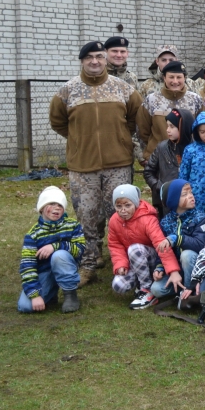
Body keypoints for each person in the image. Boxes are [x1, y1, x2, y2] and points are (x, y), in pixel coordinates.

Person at [50, 41, 142, 286]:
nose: (95, 61)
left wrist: (120, 138)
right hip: (83, 166)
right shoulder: (67, 91)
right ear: (81, 60)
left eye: (99, 57)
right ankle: (90, 262)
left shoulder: (123, 89)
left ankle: (123, 262)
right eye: (89, 57)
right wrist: (81, 141)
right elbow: (58, 123)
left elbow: (135, 118)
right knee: (88, 216)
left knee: (120, 213)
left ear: (105, 59)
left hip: (119, 163)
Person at [108, 185, 183, 310]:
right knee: (119, 285)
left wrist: (173, 271)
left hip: (151, 259)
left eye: (127, 205)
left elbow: (161, 245)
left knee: (134, 249)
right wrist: (120, 264)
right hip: (134, 261)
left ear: (136, 203)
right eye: (118, 206)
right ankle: (140, 282)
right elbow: (115, 244)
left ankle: (146, 289)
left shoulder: (147, 219)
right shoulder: (114, 221)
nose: (123, 210)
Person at [18, 186, 84, 313]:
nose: (57, 207)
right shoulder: (32, 234)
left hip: (66, 268)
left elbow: (79, 250)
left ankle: (70, 294)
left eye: (60, 205)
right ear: (42, 208)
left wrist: (55, 247)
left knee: (59, 255)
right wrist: (34, 295)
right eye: (52, 204)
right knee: (25, 307)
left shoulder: (73, 225)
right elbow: (27, 265)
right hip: (45, 273)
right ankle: (50, 293)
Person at [137, 61, 203, 161]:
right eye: (171, 77)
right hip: (158, 159)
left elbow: (201, 129)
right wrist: (149, 151)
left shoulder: (195, 100)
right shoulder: (151, 100)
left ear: (184, 78)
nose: (175, 81)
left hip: (188, 158)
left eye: (179, 77)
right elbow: (142, 130)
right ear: (164, 78)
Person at [152, 179, 205, 299]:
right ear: (173, 200)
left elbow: (201, 244)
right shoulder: (165, 222)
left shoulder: (200, 218)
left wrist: (177, 239)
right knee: (156, 289)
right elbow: (161, 249)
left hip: (195, 269)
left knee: (187, 255)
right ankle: (178, 288)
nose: (191, 196)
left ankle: (189, 292)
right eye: (185, 194)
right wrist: (159, 267)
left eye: (191, 192)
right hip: (174, 269)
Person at [143, 109, 193, 217]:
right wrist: (158, 186)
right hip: (166, 203)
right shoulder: (162, 147)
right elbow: (148, 171)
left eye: (172, 126)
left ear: (183, 127)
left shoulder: (195, 150)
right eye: (167, 126)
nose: (168, 130)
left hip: (189, 201)